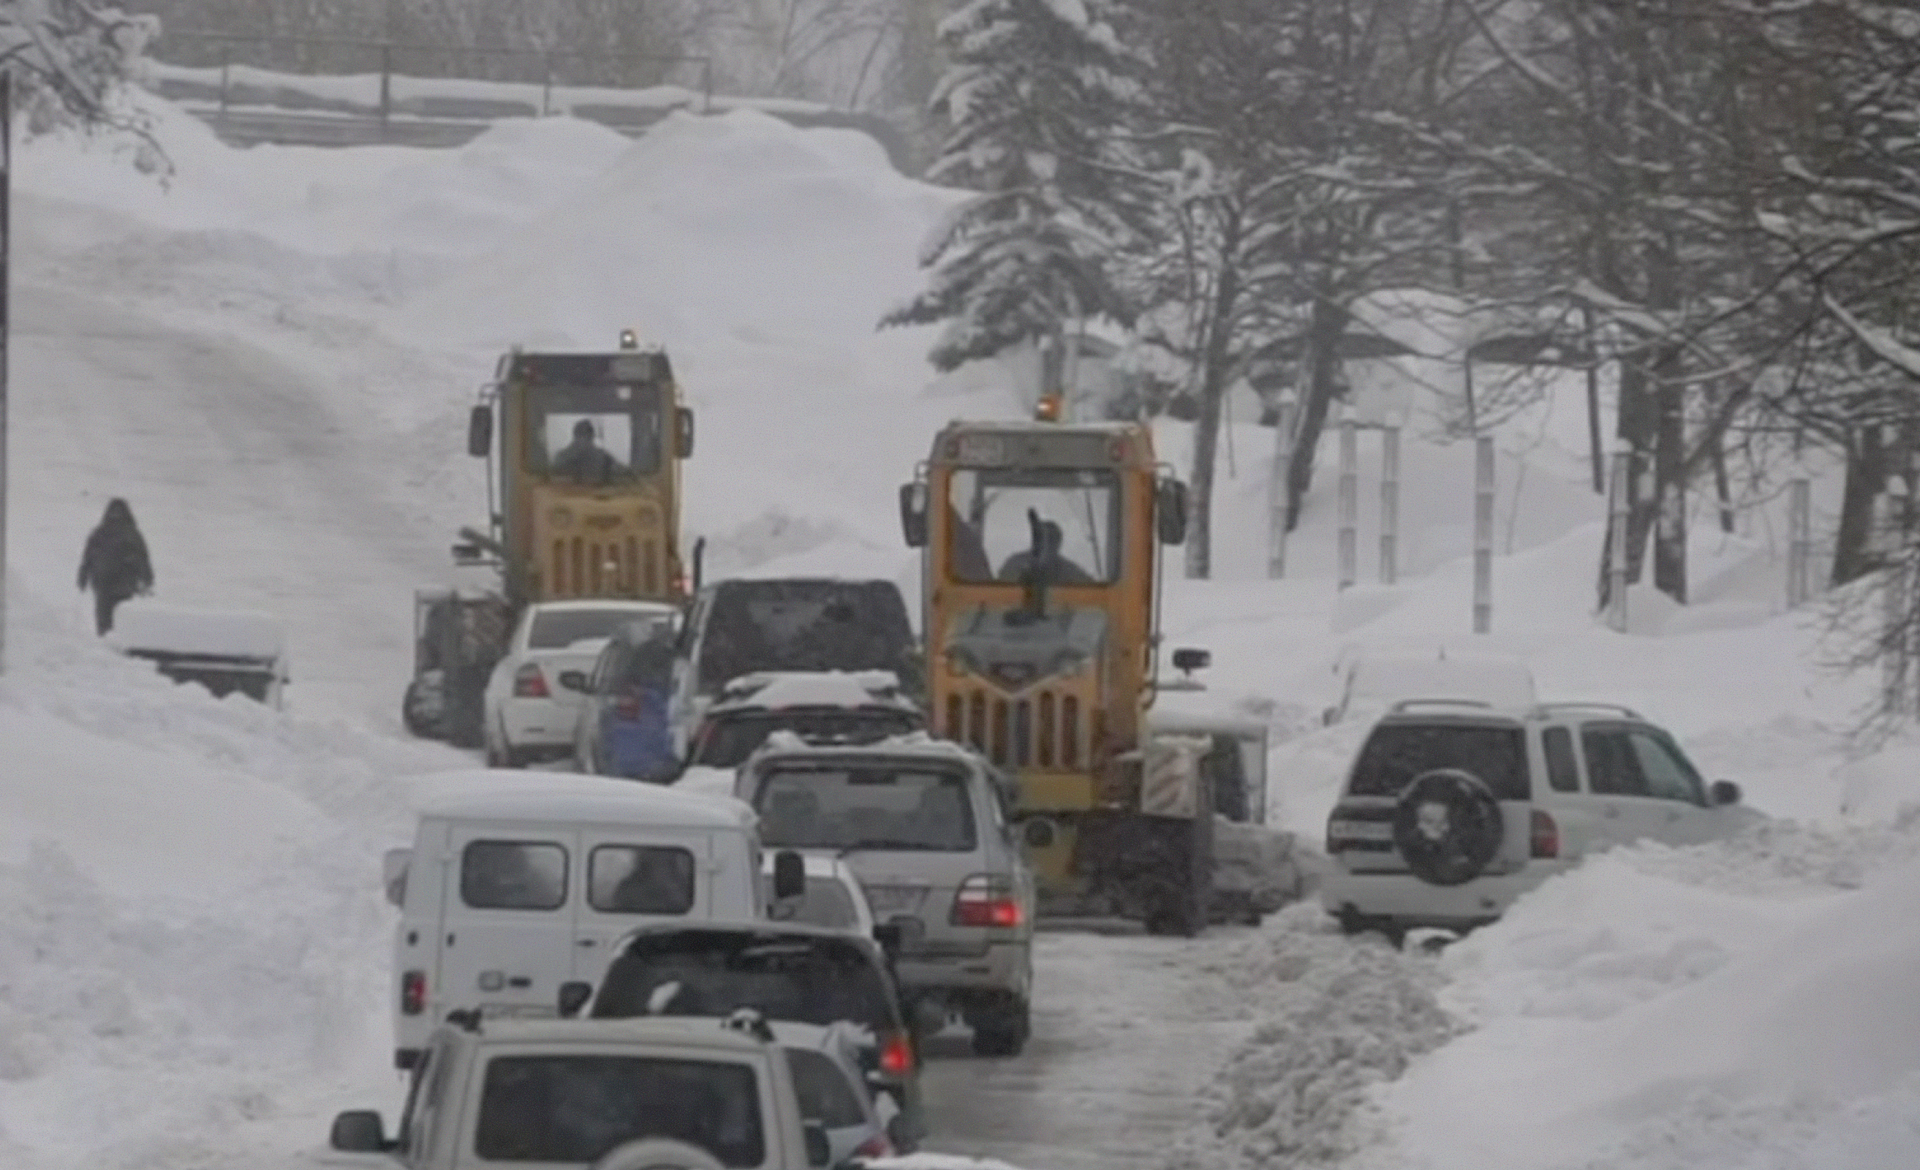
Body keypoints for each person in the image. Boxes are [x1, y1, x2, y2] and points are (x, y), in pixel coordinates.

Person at [76, 497, 154, 635]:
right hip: (113, 583)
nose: (116, 515)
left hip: (114, 583)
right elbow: (88, 557)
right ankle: (112, 641)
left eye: (118, 512)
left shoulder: (104, 533)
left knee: (111, 616)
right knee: (113, 616)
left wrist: (83, 576)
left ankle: (110, 640)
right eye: (114, 512)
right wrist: (147, 578)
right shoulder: (125, 533)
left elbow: (142, 558)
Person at [550, 419, 624, 484]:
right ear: (576, 436)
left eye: (587, 436)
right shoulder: (562, 457)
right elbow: (554, 480)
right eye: (581, 435)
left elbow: (620, 475)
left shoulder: (605, 458)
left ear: (591, 437)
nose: (583, 440)